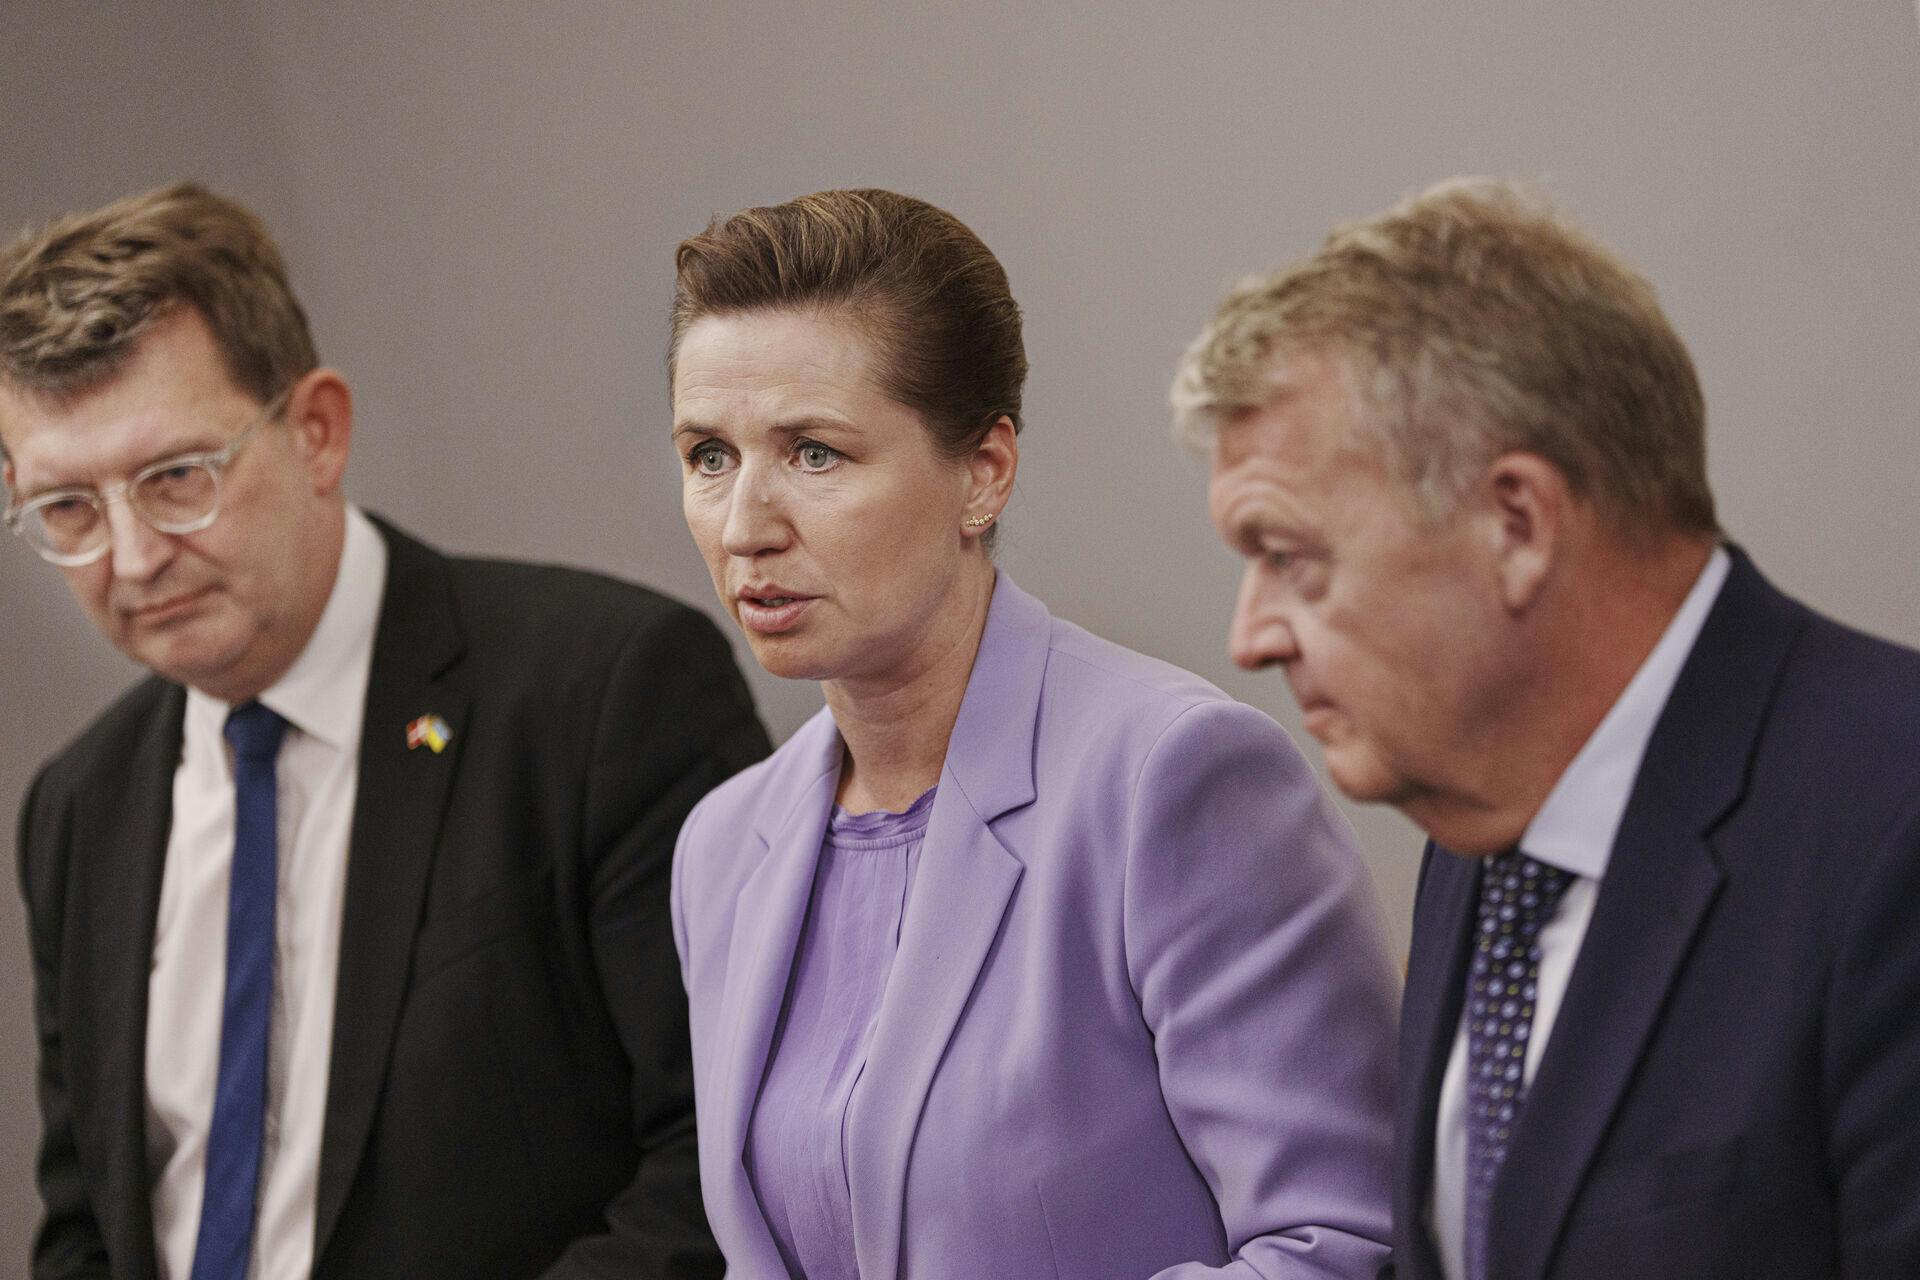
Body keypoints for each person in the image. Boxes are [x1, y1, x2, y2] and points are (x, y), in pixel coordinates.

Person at [1, 183, 768, 1280]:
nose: (128, 556)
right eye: (67, 509)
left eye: (175, 479)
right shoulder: (77, 807)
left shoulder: (602, 691)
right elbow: (89, 1221)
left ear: (317, 431)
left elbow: (727, 1156)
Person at [1174, 177, 1920, 1280]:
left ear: (1516, 522)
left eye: (1289, 556)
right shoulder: (1479, 840)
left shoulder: (1890, 822)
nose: (1251, 637)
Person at [665, 187, 1399, 1280]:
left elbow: (1342, 1243)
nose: (744, 525)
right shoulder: (724, 844)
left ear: (985, 471)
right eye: (709, 455)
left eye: (814, 452)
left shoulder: (1174, 777)